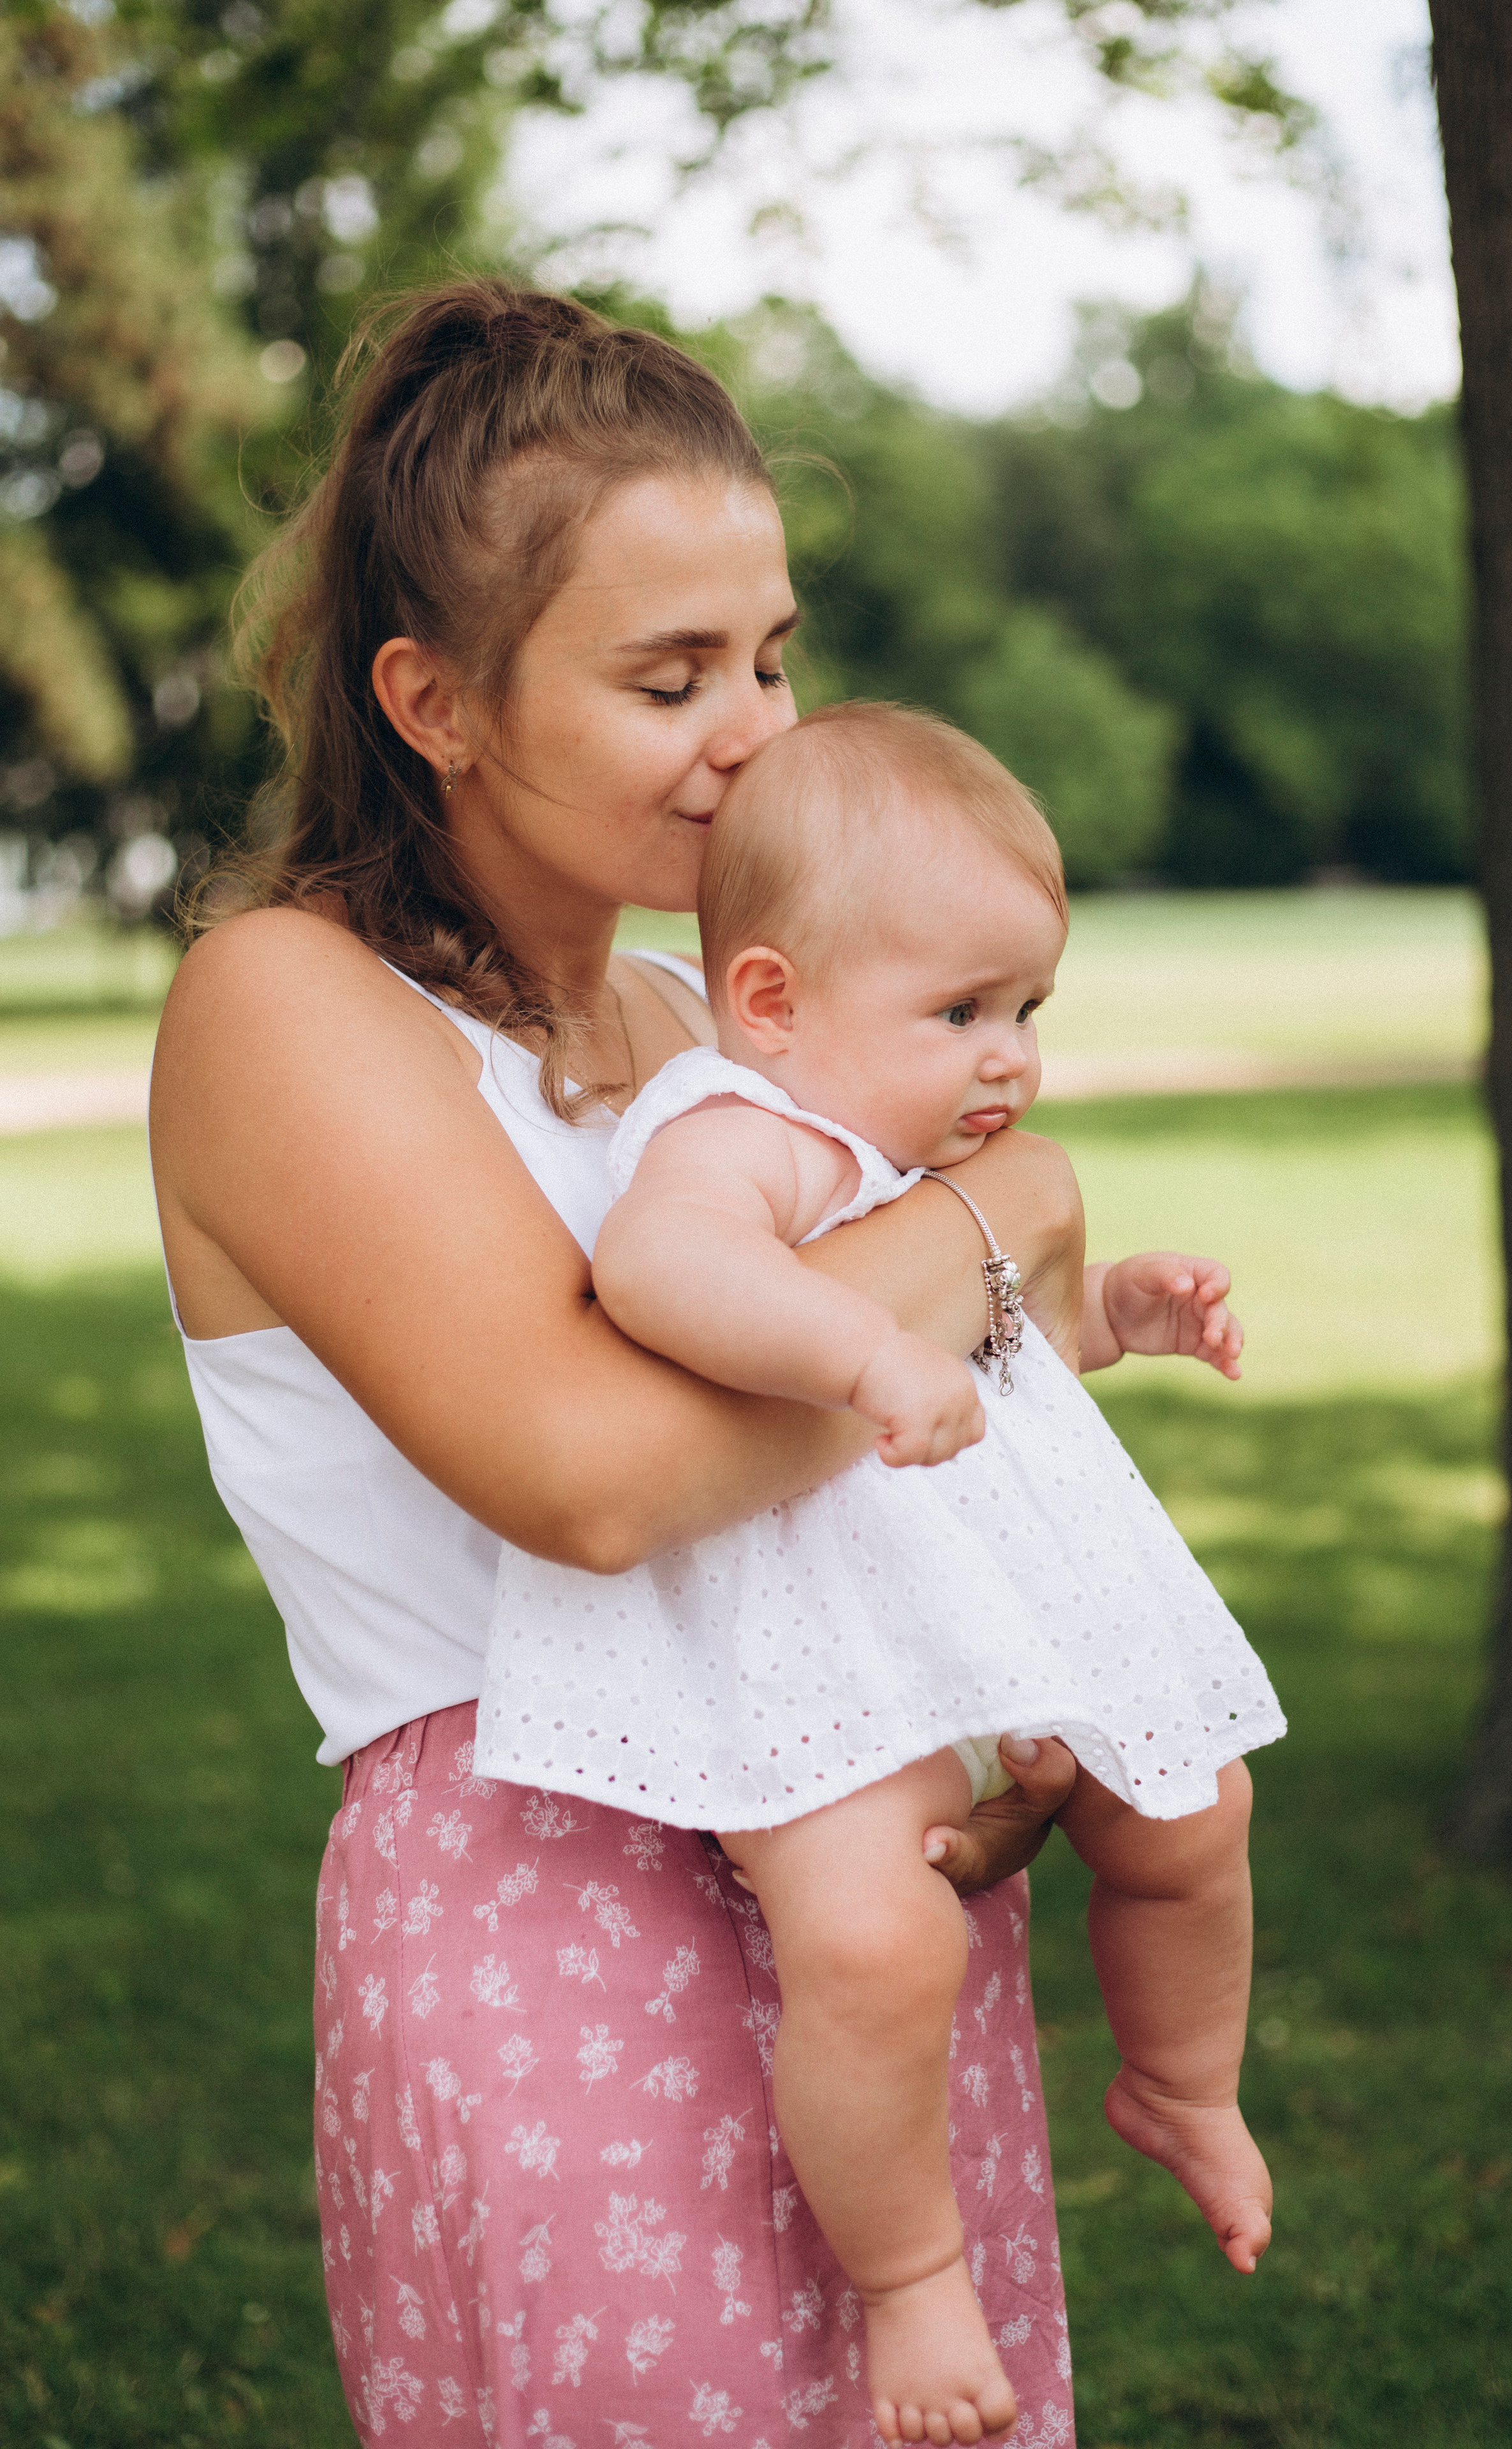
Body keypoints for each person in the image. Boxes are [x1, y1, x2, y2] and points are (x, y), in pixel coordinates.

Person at [149, 279, 1099, 2448]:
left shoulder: (703, 1031)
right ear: (434, 701)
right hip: (553, 1903)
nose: (759, 730)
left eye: (772, 656)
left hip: (851, 1860)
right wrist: (995, 1223)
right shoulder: (288, 1009)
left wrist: (1001, 1679)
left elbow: (893, 1438)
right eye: (668, 676)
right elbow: (588, 1472)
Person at [480, 702, 1284, 2444]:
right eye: (962, 1013)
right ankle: (914, 2284)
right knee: (872, 1943)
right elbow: (660, 1272)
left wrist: (1120, 1309)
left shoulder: (919, 1156)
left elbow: (1015, 1329)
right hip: (806, 1641)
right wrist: (858, 1359)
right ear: (773, 1001)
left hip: (991, 1608)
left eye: (1028, 1011)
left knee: (1196, 1808)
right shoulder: (736, 1126)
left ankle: (1184, 2082)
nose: (1010, 1059)